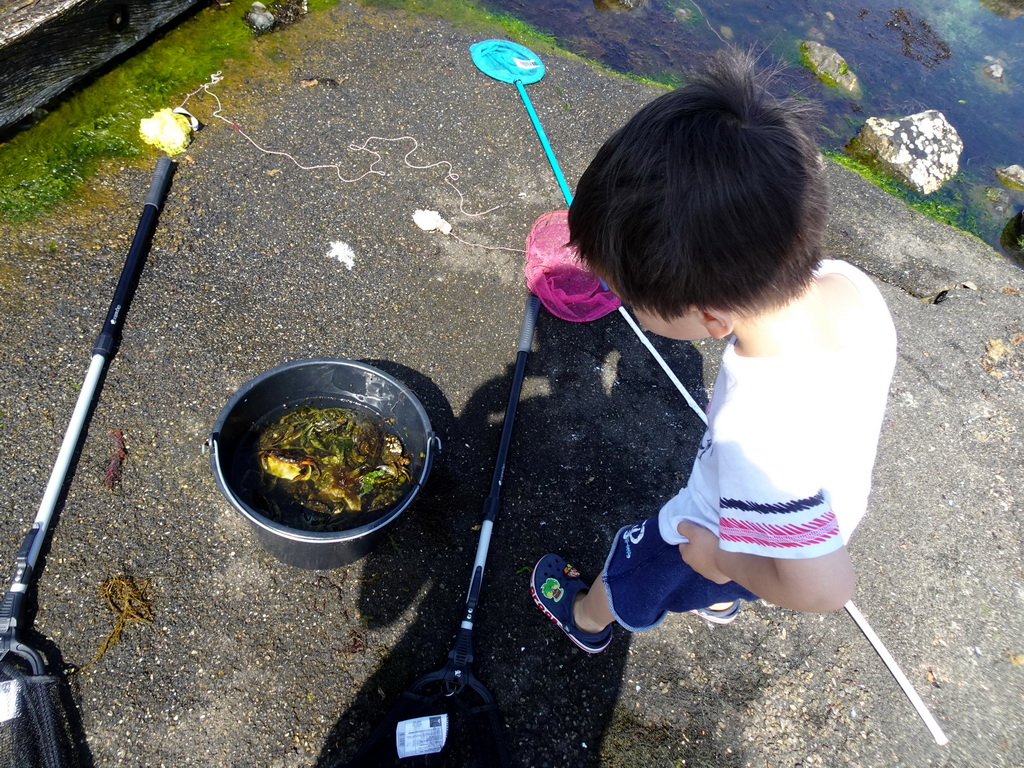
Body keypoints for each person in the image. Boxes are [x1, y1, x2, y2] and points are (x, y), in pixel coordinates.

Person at [530, 50, 897, 653]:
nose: (623, 306)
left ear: (710, 317)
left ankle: (587, 619)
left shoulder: (755, 431)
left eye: (629, 299)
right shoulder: (846, 285)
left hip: (710, 534)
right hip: (808, 519)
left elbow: (826, 589)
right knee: (727, 579)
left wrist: (721, 554)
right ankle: (723, 594)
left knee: (634, 571)